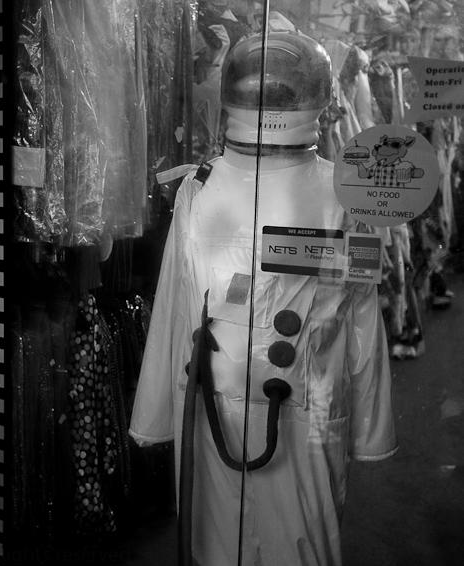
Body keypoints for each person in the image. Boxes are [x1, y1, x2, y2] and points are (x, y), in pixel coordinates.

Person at [129, 31, 397, 566]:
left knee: (242, 546)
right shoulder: (205, 189)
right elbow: (364, 317)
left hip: (244, 410)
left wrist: (155, 415)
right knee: (287, 547)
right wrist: (370, 430)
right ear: (322, 102)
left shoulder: (201, 189)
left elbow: (174, 308)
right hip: (283, 410)